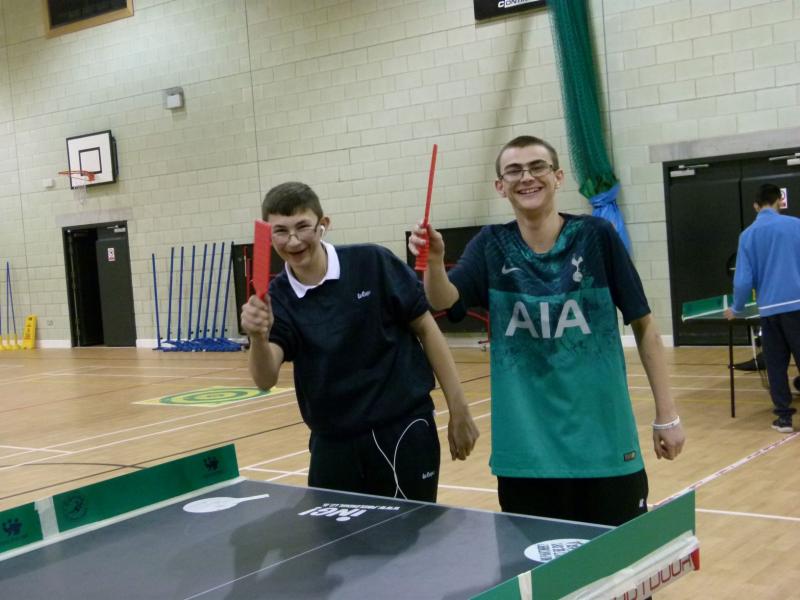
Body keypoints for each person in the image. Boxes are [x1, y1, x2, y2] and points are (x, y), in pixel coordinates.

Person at [408, 135, 684, 526]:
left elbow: (645, 326)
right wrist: (435, 261)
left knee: (619, 579)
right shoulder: (491, 244)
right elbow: (443, 300)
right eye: (514, 170)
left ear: (558, 177)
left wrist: (666, 416)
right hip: (526, 457)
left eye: (537, 167)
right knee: (543, 580)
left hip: (606, 448)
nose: (527, 177)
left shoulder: (596, 237)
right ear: (500, 186)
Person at [241, 181, 479, 502]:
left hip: (403, 429)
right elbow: (265, 378)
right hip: (333, 442)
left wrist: (459, 408)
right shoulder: (277, 298)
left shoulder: (373, 262)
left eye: (303, 227)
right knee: (334, 547)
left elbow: (426, 328)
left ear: (323, 224)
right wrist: (257, 337)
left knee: (410, 542)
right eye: (281, 231)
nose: (293, 240)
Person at [724, 183, 800, 433]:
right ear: (779, 200)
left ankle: (784, 418)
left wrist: (736, 308)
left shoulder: (747, 235)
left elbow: (743, 280)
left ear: (756, 206)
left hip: (769, 312)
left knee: (776, 365)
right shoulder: (795, 225)